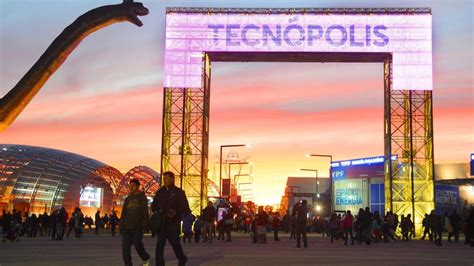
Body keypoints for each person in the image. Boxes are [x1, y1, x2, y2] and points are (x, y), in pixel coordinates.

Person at [152, 171, 190, 266]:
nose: (165, 180)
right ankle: (160, 264)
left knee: (175, 243)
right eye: (164, 179)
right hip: (162, 223)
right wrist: (158, 211)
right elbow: (154, 206)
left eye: (167, 178)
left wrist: (176, 212)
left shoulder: (179, 192)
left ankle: (182, 259)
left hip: (174, 223)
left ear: (172, 179)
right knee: (159, 245)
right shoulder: (160, 192)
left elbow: (185, 208)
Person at [120, 179, 151, 266]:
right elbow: (123, 213)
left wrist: (145, 226)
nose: (131, 187)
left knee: (138, 245)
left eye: (133, 185)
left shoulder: (142, 197)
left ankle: (145, 257)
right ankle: (128, 264)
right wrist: (121, 225)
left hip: (137, 227)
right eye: (130, 185)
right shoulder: (127, 199)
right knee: (125, 249)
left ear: (138, 186)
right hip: (126, 227)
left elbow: (145, 212)